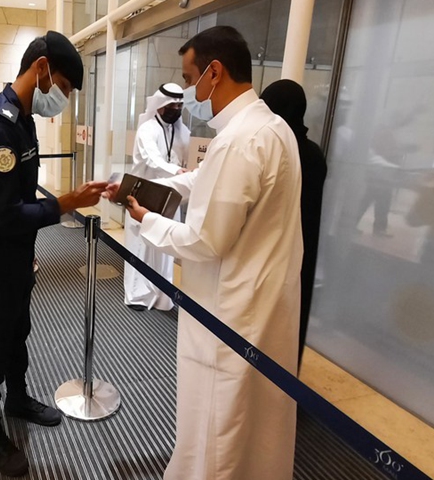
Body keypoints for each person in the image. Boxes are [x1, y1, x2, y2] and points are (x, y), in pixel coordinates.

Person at [112, 26, 302, 479]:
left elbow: (204, 240)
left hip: (231, 313)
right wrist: (144, 190)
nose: (190, 91)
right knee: (255, 423)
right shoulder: (269, 128)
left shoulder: (239, 140)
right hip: (263, 305)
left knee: (221, 425)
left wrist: (145, 219)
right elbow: (202, 183)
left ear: (214, 73)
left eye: (190, 76)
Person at [0, 30, 108, 477]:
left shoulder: (22, 119)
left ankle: (18, 399)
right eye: (62, 87)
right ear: (41, 69)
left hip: (16, 257)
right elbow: (5, 215)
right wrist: (63, 204)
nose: (61, 98)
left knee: (17, 331)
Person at [260, 79, 327, 367]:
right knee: (293, 317)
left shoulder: (281, 150)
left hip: (275, 246)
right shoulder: (313, 152)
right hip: (304, 247)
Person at [124, 83, 191, 311]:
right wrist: (177, 172)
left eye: (180, 105)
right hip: (144, 194)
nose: (176, 109)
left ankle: (163, 295)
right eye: (172, 105)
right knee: (140, 245)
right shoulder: (147, 130)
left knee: (165, 246)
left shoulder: (183, 132)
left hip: (171, 194)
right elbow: (152, 160)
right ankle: (138, 295)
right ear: (160, 106)